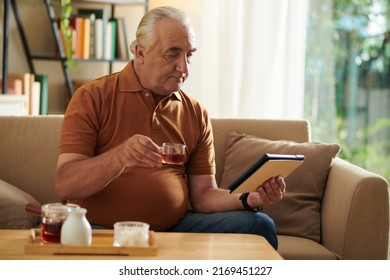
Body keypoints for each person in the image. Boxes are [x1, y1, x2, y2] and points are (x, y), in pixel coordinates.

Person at [55, 6, 286, 249]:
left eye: (189, 55)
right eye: (172, 54)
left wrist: (249, 199)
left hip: (174, 228)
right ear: (140, 52)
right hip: (101, 228)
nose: (184, 68)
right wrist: (119, 157)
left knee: (260, 225)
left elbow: (204, 194)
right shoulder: (92, 97)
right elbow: (65, 185)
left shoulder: (195, 113)